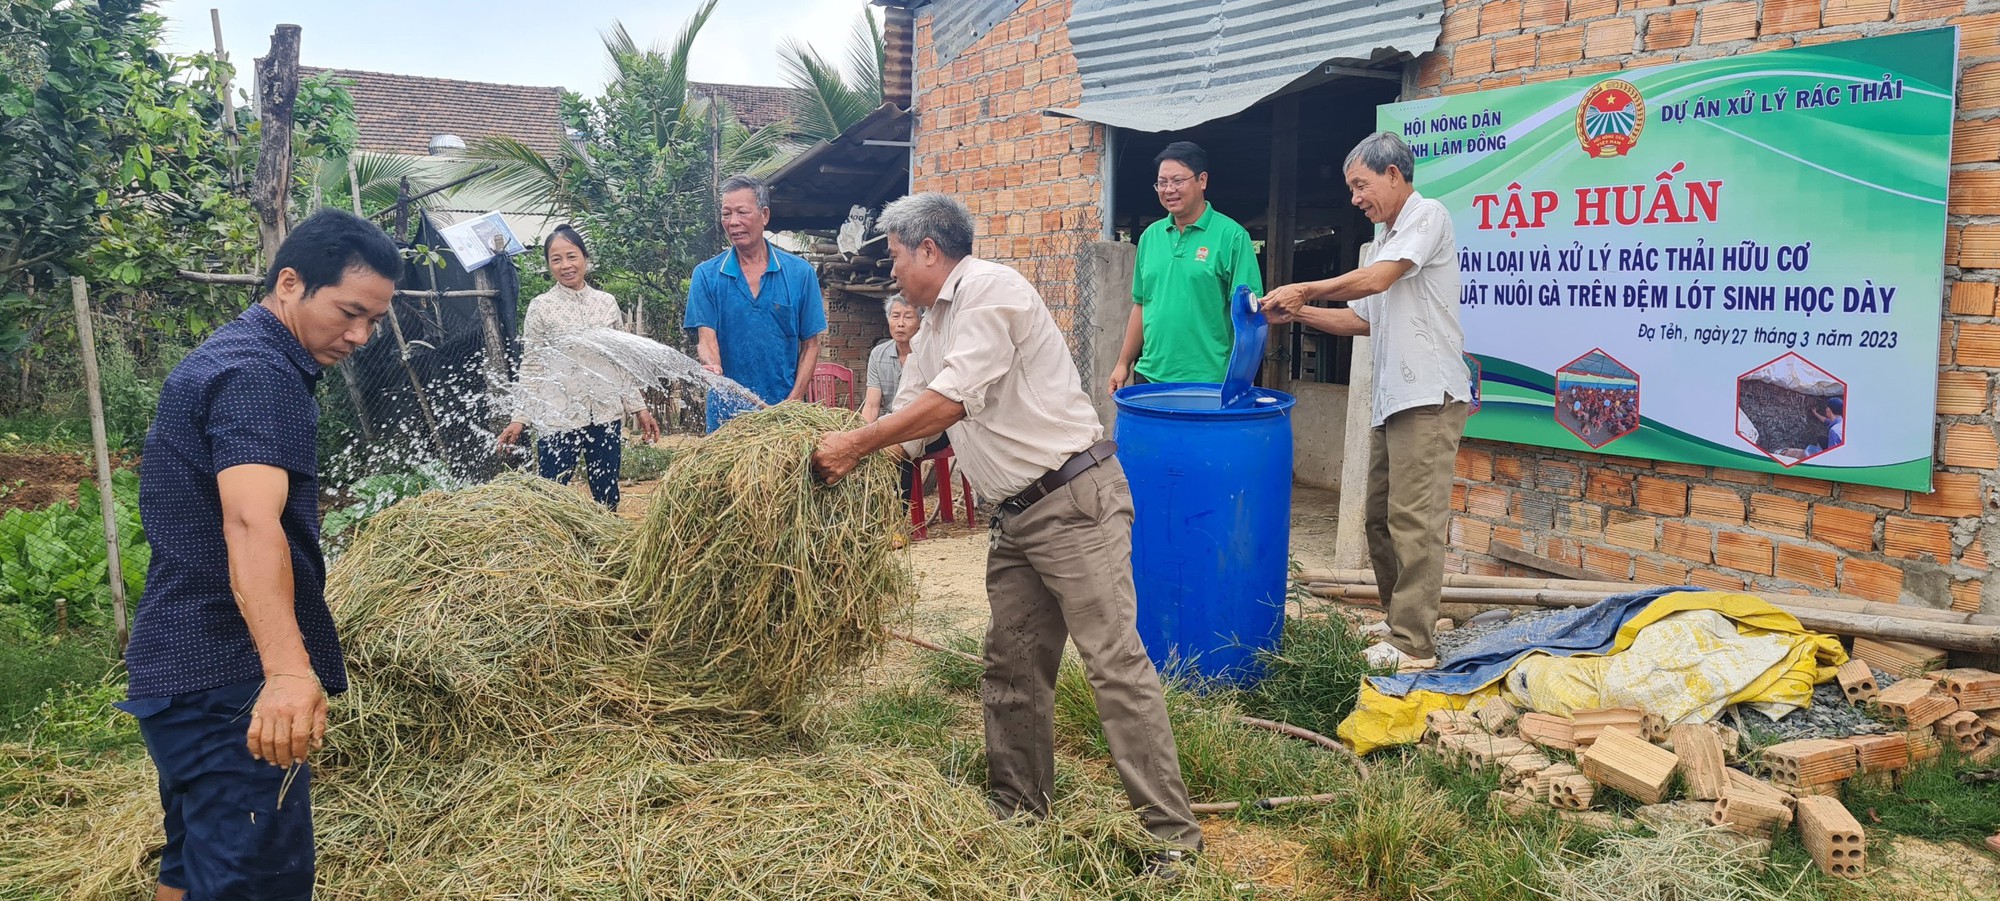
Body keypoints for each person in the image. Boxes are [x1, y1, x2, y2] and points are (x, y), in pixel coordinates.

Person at [811, 192, 1202, 874]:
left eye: (897, 256)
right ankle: (1019, 807)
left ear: (929, 249)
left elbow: (953, 400)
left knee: (1113, 663)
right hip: (1017, 517)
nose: (892, 272)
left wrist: (854, 442)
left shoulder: (991, 291)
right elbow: (910, 426)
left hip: (1073, 500)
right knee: (1012, 665)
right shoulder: (930, 328)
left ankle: (1172, 838)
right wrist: (832, 464)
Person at [117, 210, 402, 901]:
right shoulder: (258, 373)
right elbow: (250, 522)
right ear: (290, 282)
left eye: (373, 321)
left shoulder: (230, 355)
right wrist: (284, 672)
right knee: (254, 883)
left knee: (192, 865)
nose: (360, 335)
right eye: (348, 312)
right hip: (228, 678)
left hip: (178, 669)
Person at [1260, 131, 1472, 674]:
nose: (1355, 198)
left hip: (1428, 394)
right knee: (1378, 517)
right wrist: (1299, 314)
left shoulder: (1428, 216)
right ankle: (1395, 617)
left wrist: (1305, 288)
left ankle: (1415, 645)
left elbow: (1375, 283)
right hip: (1394, 396)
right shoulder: (1383, 242)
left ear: (1395, 175)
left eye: (1361, 184)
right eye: (1352, 188)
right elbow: (1360, 321)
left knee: (1415, 520)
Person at [496, 224, 659, 510]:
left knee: (606, 491)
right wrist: (520, 416)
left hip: (605, 411)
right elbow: (533, 364)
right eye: (556, 259)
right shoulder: (541, 307)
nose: (565, 265)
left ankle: (607, 547)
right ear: (548, 265)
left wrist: (638, 407)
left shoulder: (606, 303)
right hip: (559, 414)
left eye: (571, 256)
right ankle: (553, 549)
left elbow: (619, 359)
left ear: (585, 258)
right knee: (553, 490)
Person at [1109, 141, 1263, 393]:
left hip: (1209, 380)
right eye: (1162, 182)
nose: (1169, 190)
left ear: (1202, 180)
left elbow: (1249, 315)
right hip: (1150, 375)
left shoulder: (1232, 236)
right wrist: (1123, 363)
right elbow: (1141, 304)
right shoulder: (1150, 237)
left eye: (1178, 181)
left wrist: (1242, 378)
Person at [685, 173, 827, 432]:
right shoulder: (706, 275)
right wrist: (713, 366)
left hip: (781, 414)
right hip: (725, 413)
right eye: (726, 213)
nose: (733, 222)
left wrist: (792, 402)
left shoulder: (799, 273)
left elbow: (811, 346)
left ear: (764, 215)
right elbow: (706, 339)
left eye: (742, 212)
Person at [861, 294, 919, 423]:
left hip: (921, 424)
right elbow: (871, 406)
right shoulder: (878, 354)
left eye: (908, 317)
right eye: (895, 316)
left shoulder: (926, 353)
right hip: (891, 424)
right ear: (888, 319)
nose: (900, 324)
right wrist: (862, 435)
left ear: (920, 322)